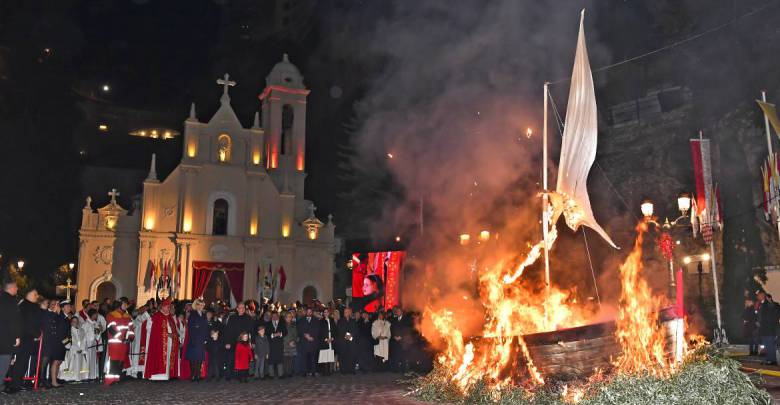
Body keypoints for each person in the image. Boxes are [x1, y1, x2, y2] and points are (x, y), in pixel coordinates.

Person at [11, 289, 43, 391]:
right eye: (35, 294)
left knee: (23, 361)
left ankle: (17, 383)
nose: (37, 296)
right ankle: (15, 384)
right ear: (28, 294)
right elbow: (27, 323)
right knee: (21, 361)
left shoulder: (29, 305)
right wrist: (37, 334)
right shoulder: (25, 306)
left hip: (27, 337)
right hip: (24, 337)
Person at [144, 298, 180, 380]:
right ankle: (158, 376)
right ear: (162, 307)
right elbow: (154, 331)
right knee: (160, 357)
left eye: (169, 307)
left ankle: (168, 374)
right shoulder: (157, 316)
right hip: (160, 342)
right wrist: (167, 334)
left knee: (168, 358)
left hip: (170, 341)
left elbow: (174, 329)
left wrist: (173, 335)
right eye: (167, 307)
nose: (168, 309)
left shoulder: (170, 317)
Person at [40, 300, 70, 388]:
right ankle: (49, 381)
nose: (69, 308)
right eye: (67, 306)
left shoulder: (63, 316)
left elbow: (66, 331)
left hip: (61, 342)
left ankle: (53, 380)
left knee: (58, 361)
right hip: (55, 342)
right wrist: (65, 342)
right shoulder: (57, 315)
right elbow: (59, 331)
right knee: (53, 362)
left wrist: (67, 342)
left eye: (56, 304)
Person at [105, 298, 134, 384]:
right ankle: (110, 380)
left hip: (124, 343)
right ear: (119, 304)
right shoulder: (111, 315)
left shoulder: (127, 316)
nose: (126, 306)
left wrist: (130, 337)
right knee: (114, 361)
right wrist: (122, 338)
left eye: (126, 304)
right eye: (124, 304)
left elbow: (131, 328)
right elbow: (111, 329)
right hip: (115, 342)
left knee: (121, 361)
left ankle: (116, 378)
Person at [0, 276, 21, 394]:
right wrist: (16, 337)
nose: (17, 289)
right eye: (16, 287)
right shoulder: (11, 301)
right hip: (6, 340)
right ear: (12, 287)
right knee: (3, 365)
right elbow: (13, 320)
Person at [223, 302, 253, 380]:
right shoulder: (232, 318)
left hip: (244, 342)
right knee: (230, 359)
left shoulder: (248, 318)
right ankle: (229, 375)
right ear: (237, 309)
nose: (242, 309)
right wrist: (227, 342)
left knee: (243, 360)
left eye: (243, 308)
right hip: (233, 342)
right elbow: (227, 331)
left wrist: (252, 343)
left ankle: (242, 376)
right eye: (240, 307)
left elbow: (251, 331)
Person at [185, 299, 208, 382]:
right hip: (194, 339)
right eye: (200, 305)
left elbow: (206, 327)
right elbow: (191, 328)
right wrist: (193, 338)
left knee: (200, 358)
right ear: (197, 305)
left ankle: (198, 375)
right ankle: (192, 375)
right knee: (193, 358)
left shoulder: (204, 315)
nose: (202, 307)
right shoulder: (193, 314)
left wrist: (206, 339)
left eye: (203, 305)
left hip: (202, 339)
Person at [59, 317, 87, 382]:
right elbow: (66, 340)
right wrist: (71, 348)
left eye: (77, 321)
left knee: (79, 365)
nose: (76, 323)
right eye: (74, 321)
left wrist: (82, 349)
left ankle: (78, 377)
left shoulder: (81, 331)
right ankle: (69, 378)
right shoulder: (69, 330)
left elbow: (83, 340)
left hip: (80, 351)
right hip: (71, 351)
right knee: (70, 365)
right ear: (71, 322)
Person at [128, 305, 150, 378]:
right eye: (140, 309)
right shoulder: (138, 317)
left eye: (142, 309)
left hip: (142, 339)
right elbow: (134, 324)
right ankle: (135, 371)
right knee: (136, 355)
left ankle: (141, 372)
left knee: (141, 355)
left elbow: (145, 318)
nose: (140, 311)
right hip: (137, 339)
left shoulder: (146, 317)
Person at [297, 307, 321, 377]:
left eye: (310, 312)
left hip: (313, 341)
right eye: (308, 312)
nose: (309, 313)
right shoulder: (301, 320)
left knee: (313, 358)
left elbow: (318, 330)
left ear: (312, 312)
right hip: (304, 342)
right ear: (306, 312)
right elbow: (299, 330)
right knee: (304, 357)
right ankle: (304, 372)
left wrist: (312, 337)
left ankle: (313, 371)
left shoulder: (316, 320)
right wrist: (305, 335)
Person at [336, 307, 359, 374]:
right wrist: (349, 337)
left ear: (349, 313)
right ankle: (343, 370)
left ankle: (351, 370)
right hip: (343, 342)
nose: (346, 313)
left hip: (351, 342)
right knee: (344, 357)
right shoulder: (340, 321)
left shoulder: (353, 321)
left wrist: (351, 336)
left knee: (351, 356)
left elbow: (356, 330)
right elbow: (340, 331)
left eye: (347, 312)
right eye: (345, 312)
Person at [757, 291, 778, 365]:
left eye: (759, 295)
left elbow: (774, 308)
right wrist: (759, 322)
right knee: (766, 344)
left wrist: (770, 302)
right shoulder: (761, 304)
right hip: (764, 328)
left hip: (769, 328)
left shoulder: (770, 304)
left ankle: (772, 360)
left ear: (763, 295)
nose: (757, 297)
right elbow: (760, 315)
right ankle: (768, 359)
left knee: (770, 344)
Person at [82, 309, 101, 380]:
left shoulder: (95, 323)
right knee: (87, 360)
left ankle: (92, 375)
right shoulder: (86, 324)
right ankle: (86, 376)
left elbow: (97, 336)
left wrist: (98, 331)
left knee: (93, 360)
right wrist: (83, 347)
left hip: (93, 344)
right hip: (87, 344)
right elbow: (83, 336)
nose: (97, 316)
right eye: (96, 314)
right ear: (92, 315)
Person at [266, 311, 286, 378]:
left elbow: (285, 332)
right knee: (271, 359)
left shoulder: (282, 323)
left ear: (278, 316)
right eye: (273, 316)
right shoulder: (268, 324)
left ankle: (281, 374)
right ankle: (271, 374)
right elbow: (266, 333)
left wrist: (280, 334)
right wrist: (272, 335)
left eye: (276, 316)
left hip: (279, 344)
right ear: (271, 317)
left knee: (279, 358)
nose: (274, 317)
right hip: (271, 344)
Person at [318, 308, 336, 375]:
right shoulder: (321, 321)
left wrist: (332, 338)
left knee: (329, 356)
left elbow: (334, 330)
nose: (326, 313)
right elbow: (320, 332)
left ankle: (328, 371)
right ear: (323, 313)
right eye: (324, 312)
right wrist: (326, 339)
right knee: (324, 356)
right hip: (324, 341)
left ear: (329, 313)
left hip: (331, 340)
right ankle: (324, 371)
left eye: (327, 312)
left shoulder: (331, 320)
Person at [282, 312, 297, 378]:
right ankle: (285, 372)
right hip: (284, 344)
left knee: (290, 359)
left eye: (290, 317)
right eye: (288, 317)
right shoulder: (282, 325)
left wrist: (293, 341)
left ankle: (289, 372)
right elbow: (281, 336)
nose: (289, 318)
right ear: (285, 318)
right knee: (285, 359)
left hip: (292, 344)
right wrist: (286, 343)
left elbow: (296, 335)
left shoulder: (294, 325)